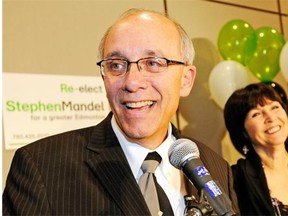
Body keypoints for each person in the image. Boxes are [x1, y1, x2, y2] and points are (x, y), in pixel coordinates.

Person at [3, 8, 239, 215]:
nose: (132, 82)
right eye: (116, 65)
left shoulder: (216, 169)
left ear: (186, 80)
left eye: (153, 63)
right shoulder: (41, 167)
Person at [224, 82, 288, 215]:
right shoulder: (235, 180)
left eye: (275, 107)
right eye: (256, 114)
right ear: (243, 131)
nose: (270, 117)